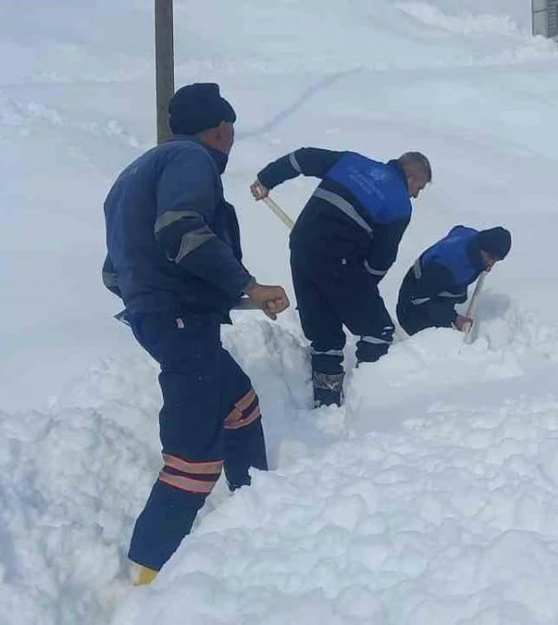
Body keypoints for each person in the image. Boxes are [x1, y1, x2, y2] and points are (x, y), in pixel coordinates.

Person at [102, 82, 290, 586]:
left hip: (165, 318)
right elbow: (182, 231)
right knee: (195, 453)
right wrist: (245, 283)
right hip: (179, 322)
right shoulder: (192, 161)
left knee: (240, 405)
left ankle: (256, 503)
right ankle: (148, 571)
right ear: (222, 127)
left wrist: (233, 297)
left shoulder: (133, 175)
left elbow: (114, 272)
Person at [250, 148, 431, 407]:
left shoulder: (351, 161)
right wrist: (359, 293)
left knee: (324, 334)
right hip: (340, 259)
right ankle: (371, 401)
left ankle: (327, 402)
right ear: (412, 177)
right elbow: (382, 257)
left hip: (302, 246)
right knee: (377, 330)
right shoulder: (400, 205)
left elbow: (303, 158)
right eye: (419, 188)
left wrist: (267, 178)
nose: (416, 195)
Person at [396, 225, 511, 336]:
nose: (491, 265)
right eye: (490, 257)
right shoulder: (446, 266)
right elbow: (418, 299)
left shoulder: (473, 237)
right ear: (481, 247)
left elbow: (458, 229)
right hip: (411, 306)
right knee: (442, 342)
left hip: (435, 289)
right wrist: (454, 317)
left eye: (496, 260)